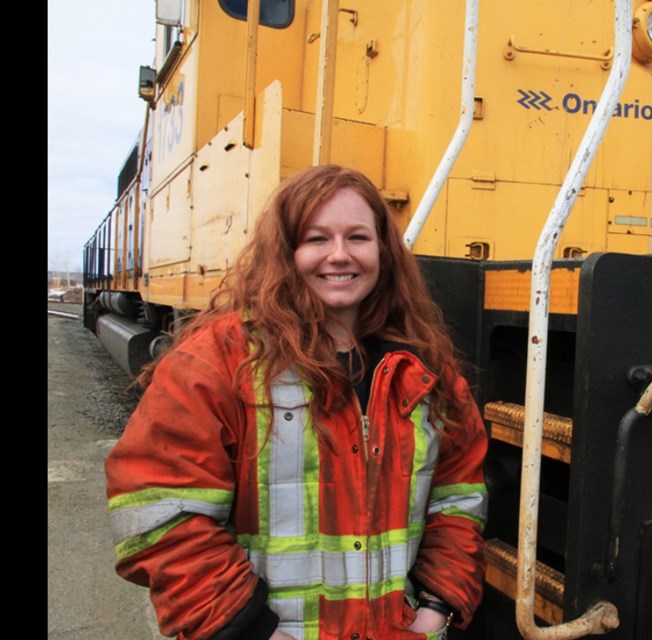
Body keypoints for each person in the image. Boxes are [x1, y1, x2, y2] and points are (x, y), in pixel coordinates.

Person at [105, 165, 489, 640]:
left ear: (384, 252)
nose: (339, 255)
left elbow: (459, 501)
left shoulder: (427, 373)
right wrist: (251, 630)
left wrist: (435, 608)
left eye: (358, 237)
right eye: (316, 238)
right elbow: (159, 513)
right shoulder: (215, 363)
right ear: (285, 252)